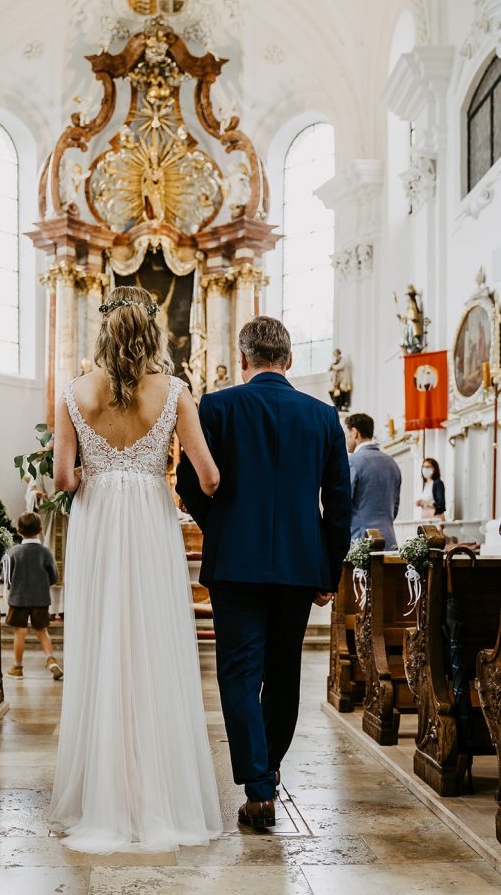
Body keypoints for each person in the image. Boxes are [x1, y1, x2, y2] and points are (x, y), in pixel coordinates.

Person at [49, 285, 222, 854]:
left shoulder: (74, 393)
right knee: (151, 646)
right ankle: (158, 796)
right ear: (153, 333)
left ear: (104, 332)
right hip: (149, 521)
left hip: (99, 524)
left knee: (103, 646)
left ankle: (100, 796)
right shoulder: (175, 392)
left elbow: (63, 480)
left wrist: (100, 474)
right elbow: (209, 476)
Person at [177, 316, 351, 831]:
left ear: (245, 359)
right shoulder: (323, 417)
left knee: (237, 671)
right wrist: (328, 570)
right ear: (290, 360)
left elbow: (189, 482)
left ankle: (257, 787)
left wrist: (222, 527)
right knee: (283, 671)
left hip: (235, 565)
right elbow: (339, 503)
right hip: (300, 566)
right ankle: (268, 770)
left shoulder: (218, 406)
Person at [5, 512, 62, 680]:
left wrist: (13, 586)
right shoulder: (45, 552)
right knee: (42, 631)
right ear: (41, 529)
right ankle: (51, 659)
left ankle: (17, 667)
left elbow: (6, 577)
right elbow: (54, 576)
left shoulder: (13, 551)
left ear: (18, 530)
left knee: (19, 632)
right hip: (40, 598)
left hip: (19, 599)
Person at [345, 412, 401, 550]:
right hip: (389, 541)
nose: (345, 439)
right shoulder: (392, 463)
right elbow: (395, 507)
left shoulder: (352, 462)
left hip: (360, 542)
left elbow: (343, 504)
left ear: (354, 432)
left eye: (346, 434)